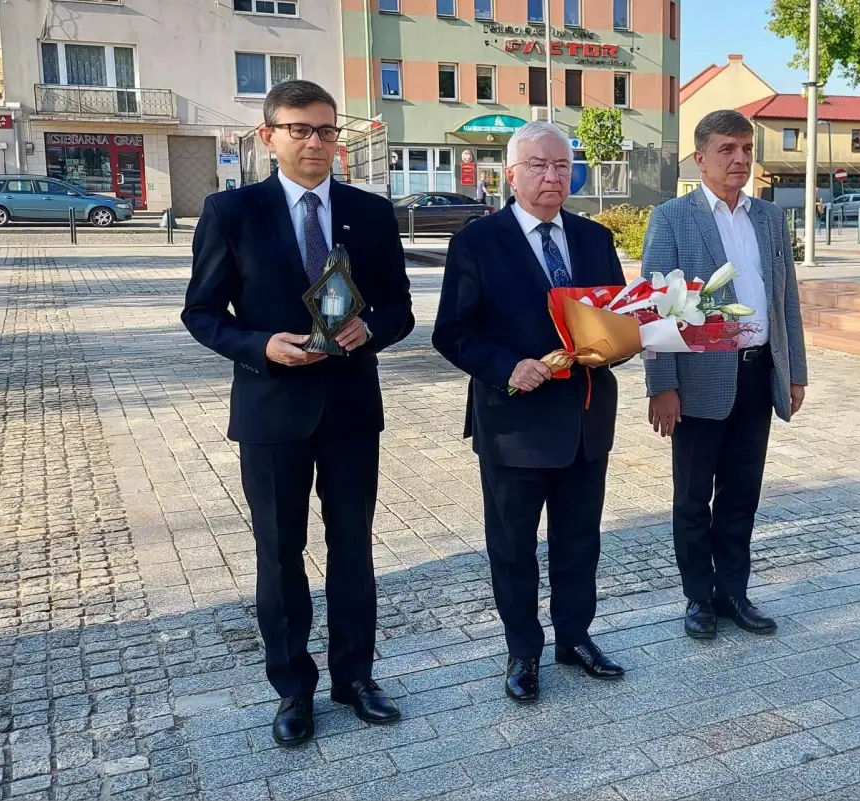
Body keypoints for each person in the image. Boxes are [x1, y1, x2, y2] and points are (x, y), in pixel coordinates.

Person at [182, 80, 413, 746]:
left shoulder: (369, 213)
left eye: (327, 131)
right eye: (300, 130)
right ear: (269, 136)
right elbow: (200, 313)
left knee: (353, 551)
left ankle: (356, 676)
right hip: (271, 411)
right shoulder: (232, 212)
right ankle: (292, 688)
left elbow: (399, 306)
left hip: (349, 410)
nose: (316, 143)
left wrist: (371, 329)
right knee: (280, 555)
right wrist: (260, 345)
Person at [433, 121, 627, 703]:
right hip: (514, 420)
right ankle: (523, 650)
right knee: (514, 546)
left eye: (562, 166)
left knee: (579, 540)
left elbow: (619, 317)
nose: (552, 176)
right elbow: (453, 332)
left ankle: (575, 636)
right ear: (511, 175)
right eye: (539, 166)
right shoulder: (478, 242)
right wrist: (506, 365)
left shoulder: (594, 239)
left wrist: (623, 338)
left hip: (585, 419)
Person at [642, 110, 808, 641]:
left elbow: (787, 301)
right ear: (701, 157)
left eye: (745, 149)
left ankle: (733, 592)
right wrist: (662, 386)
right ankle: (698, 600)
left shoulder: (769, 218)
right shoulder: (673, 218)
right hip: (697, 383)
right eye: (726, 150)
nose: (739, 159)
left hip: (758, 375)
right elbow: (655, 309)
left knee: (741, 494)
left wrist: (794, 371)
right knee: (693, 498)